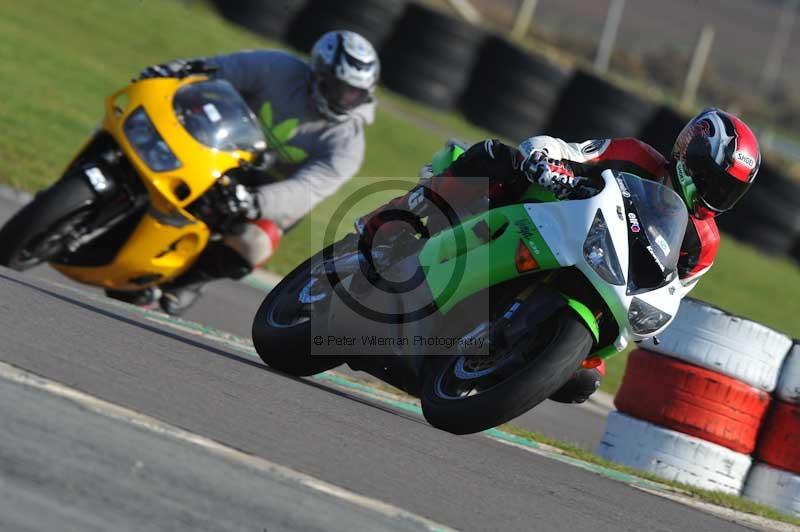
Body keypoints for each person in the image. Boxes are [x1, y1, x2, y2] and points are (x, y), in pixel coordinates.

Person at [357, 108, 761, 404]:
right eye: (711, 179)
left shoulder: (705, 242)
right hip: (550, 214)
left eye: (727, 190)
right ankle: (391, 225)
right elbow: (570, 150)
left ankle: (493, 361)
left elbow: (673, 290)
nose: (713, 194)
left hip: (602, 276)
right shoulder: (635, 156)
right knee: (497, 158)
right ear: (689, 154)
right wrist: (546, 161)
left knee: (584, 381)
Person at [108, 30, 380, 315]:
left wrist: (254, 201)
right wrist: (171, 72)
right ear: (319, 73)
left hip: (264, 194)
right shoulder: (277, 67)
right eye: (340, 88)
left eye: (356, 93)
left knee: (254, 245)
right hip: (216, 150)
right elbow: (218, 70)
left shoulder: (348, 144)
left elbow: (306, 189)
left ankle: (186, 282)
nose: (346, 99)